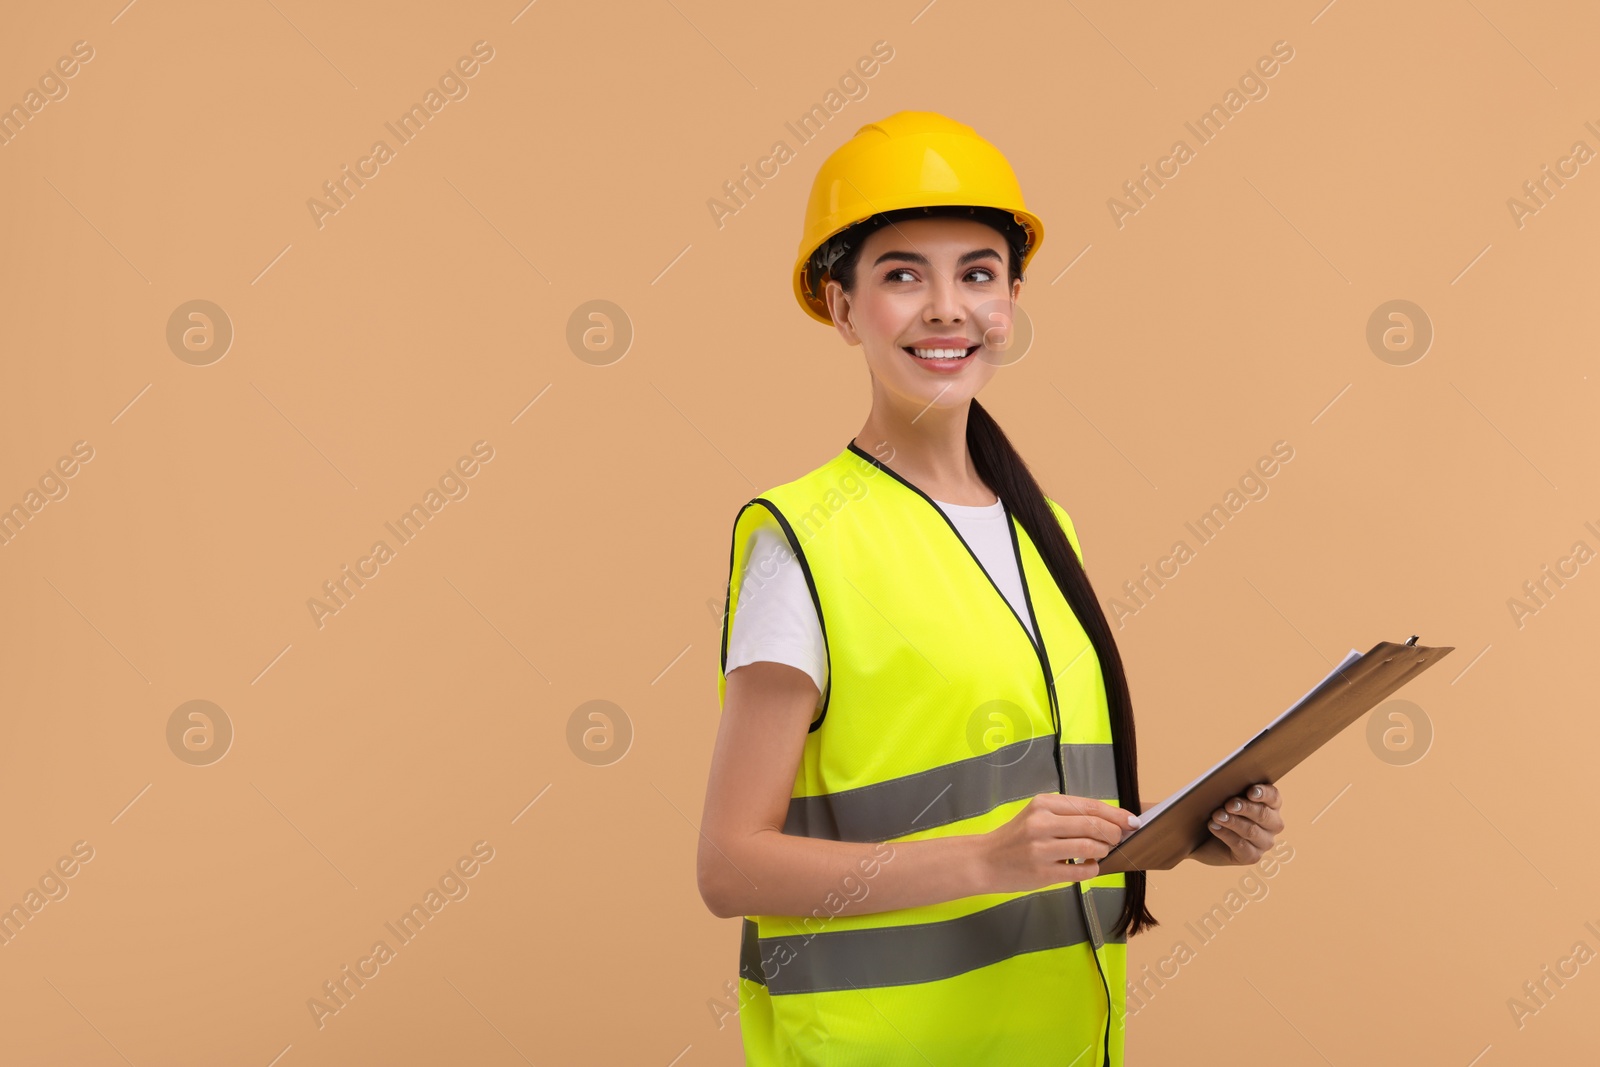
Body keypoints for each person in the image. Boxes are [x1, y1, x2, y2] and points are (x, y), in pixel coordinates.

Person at [698, 110, 1285, 1066]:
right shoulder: (801, 541)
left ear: (1011, 299)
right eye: (901, 275)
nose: (946, 307)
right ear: (841, 308)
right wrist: (979, 859)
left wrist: (1185, 832)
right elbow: (728, 866)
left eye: (977, 273)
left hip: (1061, 1039)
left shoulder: (1041, 525)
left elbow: (1041, 806)